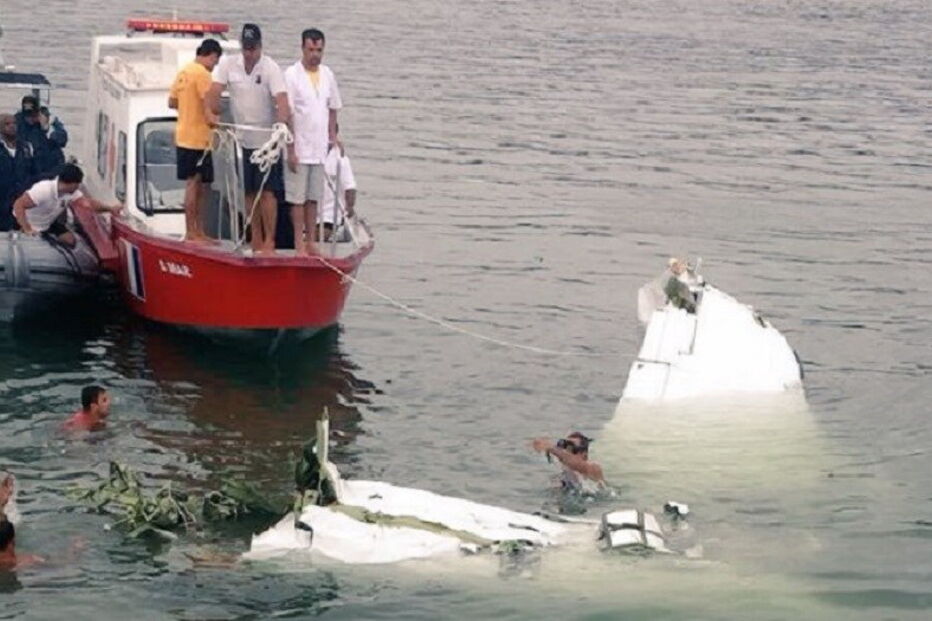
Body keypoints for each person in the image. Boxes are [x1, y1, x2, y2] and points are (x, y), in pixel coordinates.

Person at [208, 24, 289, 254]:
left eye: (253, 48)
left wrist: (281, 124)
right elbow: (214, 90)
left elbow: (282, 100)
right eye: (246, 48)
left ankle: (269, 240)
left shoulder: (270, 67)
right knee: (248, 192)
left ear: (260, 47)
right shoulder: (228, 64)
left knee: (268, 193)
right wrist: (212, 111)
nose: (249, 53)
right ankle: (255, 236)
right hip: (241, 140)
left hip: (266, 142)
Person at [283, 28, 342, 255]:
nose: (315, 54)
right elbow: (287, 113)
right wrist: (290, 148)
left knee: (313, 197)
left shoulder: (327, 74)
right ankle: (299, 242)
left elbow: (333, 107)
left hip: (319, 148)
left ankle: (311, 240)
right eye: (311, 50)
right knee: (297, 199)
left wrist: (332, 137)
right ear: (303, 48)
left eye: (319, 50)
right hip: (299, 145)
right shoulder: (292, 75)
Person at [169, 38, 223, 243]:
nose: (214, 66)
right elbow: (207, 104)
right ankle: (193, 232)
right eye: (215, 61)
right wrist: (214, 120)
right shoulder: (202, 74)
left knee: (196, 185)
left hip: (183, 135)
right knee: (195, 185)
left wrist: (188, 107)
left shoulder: (183, 72)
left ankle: (197, 231)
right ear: (211, 55)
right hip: (198, 139)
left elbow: (172, 101)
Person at [12, 163, 122, 247]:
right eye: (77, 184)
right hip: (27, 223)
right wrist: (27, 228)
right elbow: (18, 205)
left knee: (70, 240)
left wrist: (110, 209)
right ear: (71, 183)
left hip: (47, 223)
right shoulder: (43, 190)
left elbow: (88, 204)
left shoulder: (71, 193)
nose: (78, 187)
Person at [531, 432, 606, 494]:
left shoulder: (593, 468)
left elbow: (575, 463)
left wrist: (550, 448)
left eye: (570, 448)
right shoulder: (562, 476)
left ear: (584, 454)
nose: (566, 451)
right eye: (564, 447)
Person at [0, 113, 39, 231]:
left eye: (14, 123)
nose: (12, 126)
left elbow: (34, 173)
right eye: (7, 124)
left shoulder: (27, 147)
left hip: (21, 201)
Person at [318, 127, 357, 241]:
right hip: (307, 211)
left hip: (329, 214)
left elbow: (350, 187)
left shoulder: (340, 159)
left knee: (322, 234)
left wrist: (349, 207)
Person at [14, 96, 68, 177]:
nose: (30, 119)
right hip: (29, 168)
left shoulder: (50, 119)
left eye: (33, 115)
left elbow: (62, 140)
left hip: (51, 165)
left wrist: (46, 127)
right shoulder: (17, 121)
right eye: (27, 116)